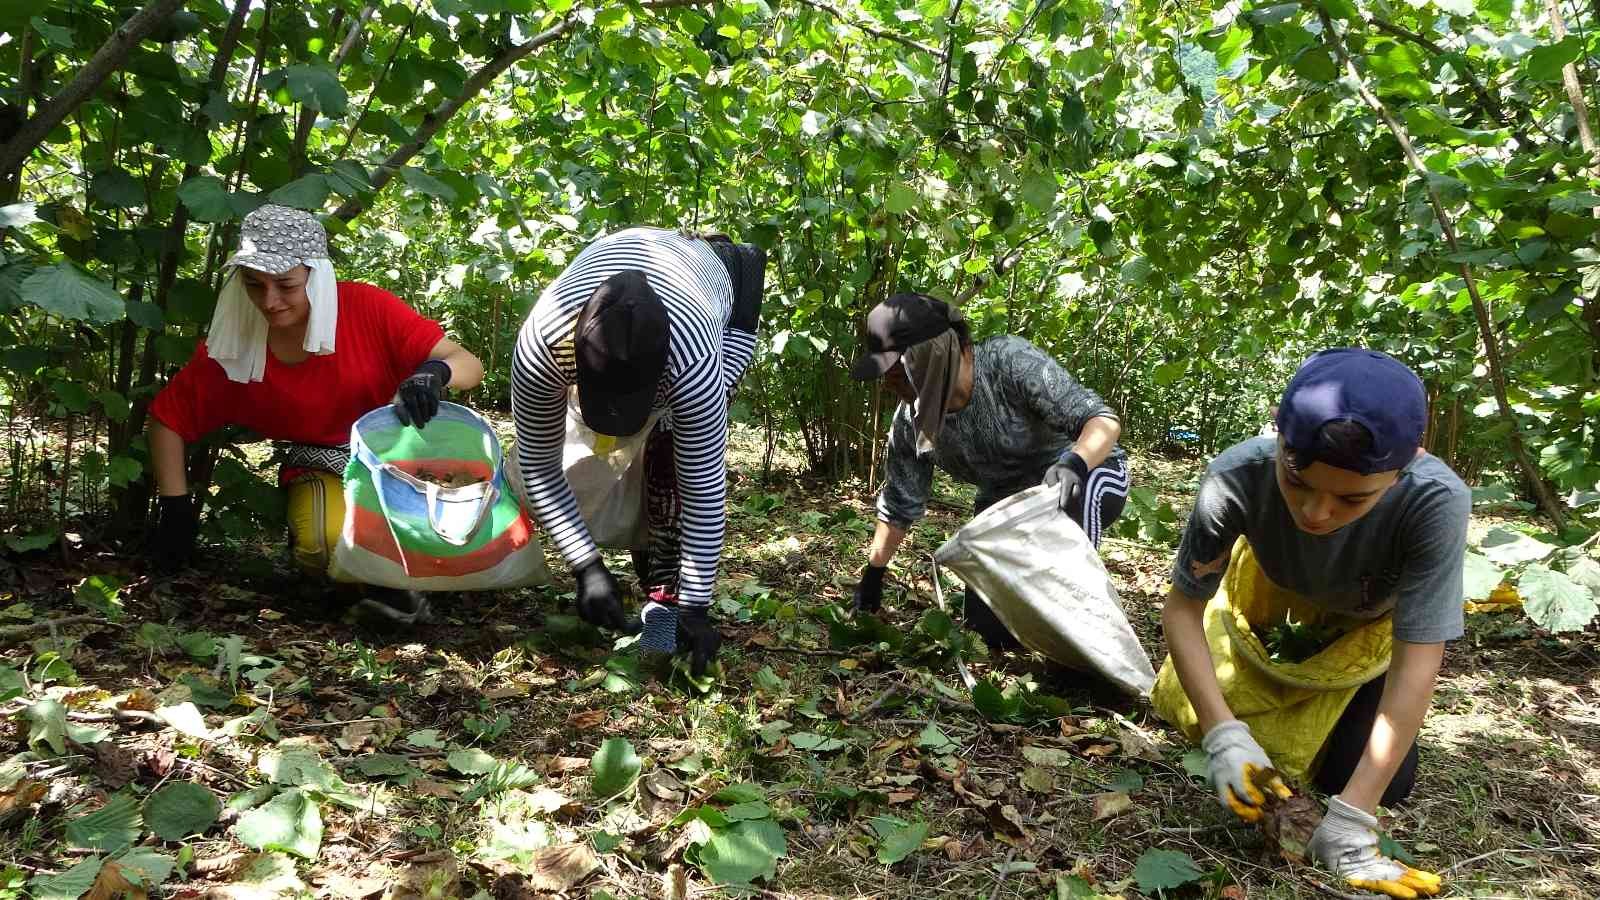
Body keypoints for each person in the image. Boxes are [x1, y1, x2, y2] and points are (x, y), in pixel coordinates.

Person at [1157, 349, 1464, 898]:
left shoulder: (1434, 502)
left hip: (1363, 632)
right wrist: (1223, 735)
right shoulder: (1236, 477)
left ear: (1405, 468)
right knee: (1197, 715)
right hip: (1265, 607)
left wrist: (1352, 822)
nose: (1316, 513)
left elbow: (1418, 658)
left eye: (1352, 498)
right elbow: (1182, 610)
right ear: (1277, 437)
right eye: (1296, 482)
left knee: (1379, 780)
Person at [145, 205, 484, 624]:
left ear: (316, 276)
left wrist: (433, 373)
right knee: (324, 544)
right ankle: (388, 591)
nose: (269, 302)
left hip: (404, 460)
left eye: (286, 286)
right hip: (323, 462)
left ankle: (411, 580)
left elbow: (468, 364)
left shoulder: (367, 308)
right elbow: (168, 418)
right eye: (254, 285)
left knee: (463, 534)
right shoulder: (238, 341)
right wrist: (174, 508)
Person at [510, 227, 763, 677]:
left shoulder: (695, 365)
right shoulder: (544, 343)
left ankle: (666, 596)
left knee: (669, 460)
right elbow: (539, 464)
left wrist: (698, 607)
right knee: (570, 458)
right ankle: (657, 587)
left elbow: (703, 489)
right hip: (622, 254)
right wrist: (585, 565)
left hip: (718, 279)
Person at [847, 293, 1130, 649]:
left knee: (1064, 551)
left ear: (930, 355)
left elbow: (1101, 421)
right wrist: (874, 573)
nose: (887, 382)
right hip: (1004, 505)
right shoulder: (912, 422)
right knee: (987, 636)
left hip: (1083, 476)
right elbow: (900, 503)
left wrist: (1074, 463)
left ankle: (1095, 648)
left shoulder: (1009, 363)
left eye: (894, 368)